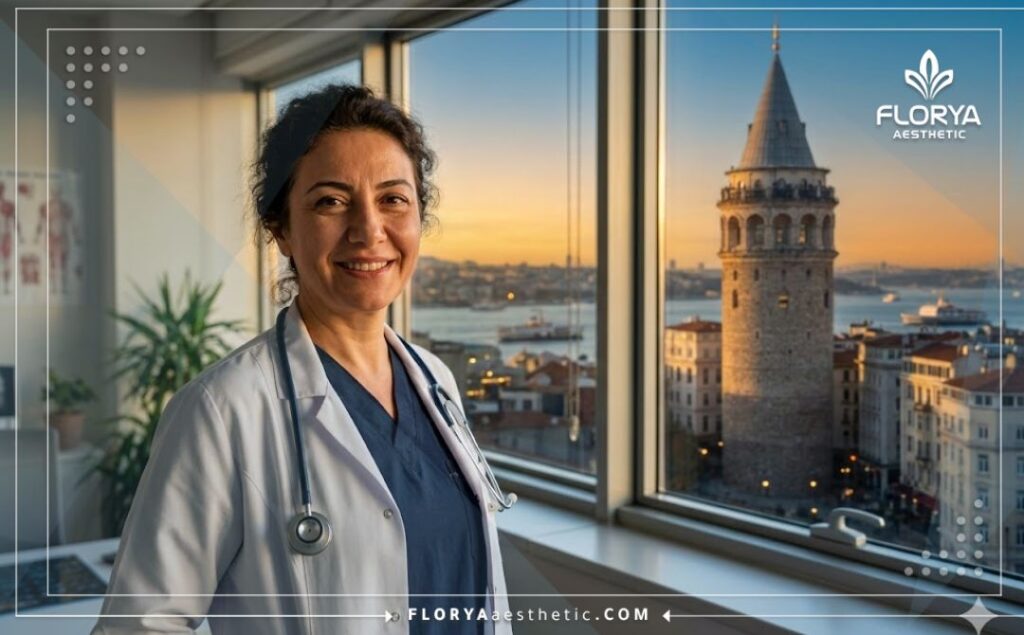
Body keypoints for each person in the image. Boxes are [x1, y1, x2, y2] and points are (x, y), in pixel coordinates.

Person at [92, 84, 512, 635]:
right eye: (331, 201)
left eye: (393, 199)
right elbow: (138, 625)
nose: (369, 230)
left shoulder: (435, 380)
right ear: (281, 228)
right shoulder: (222, 411)